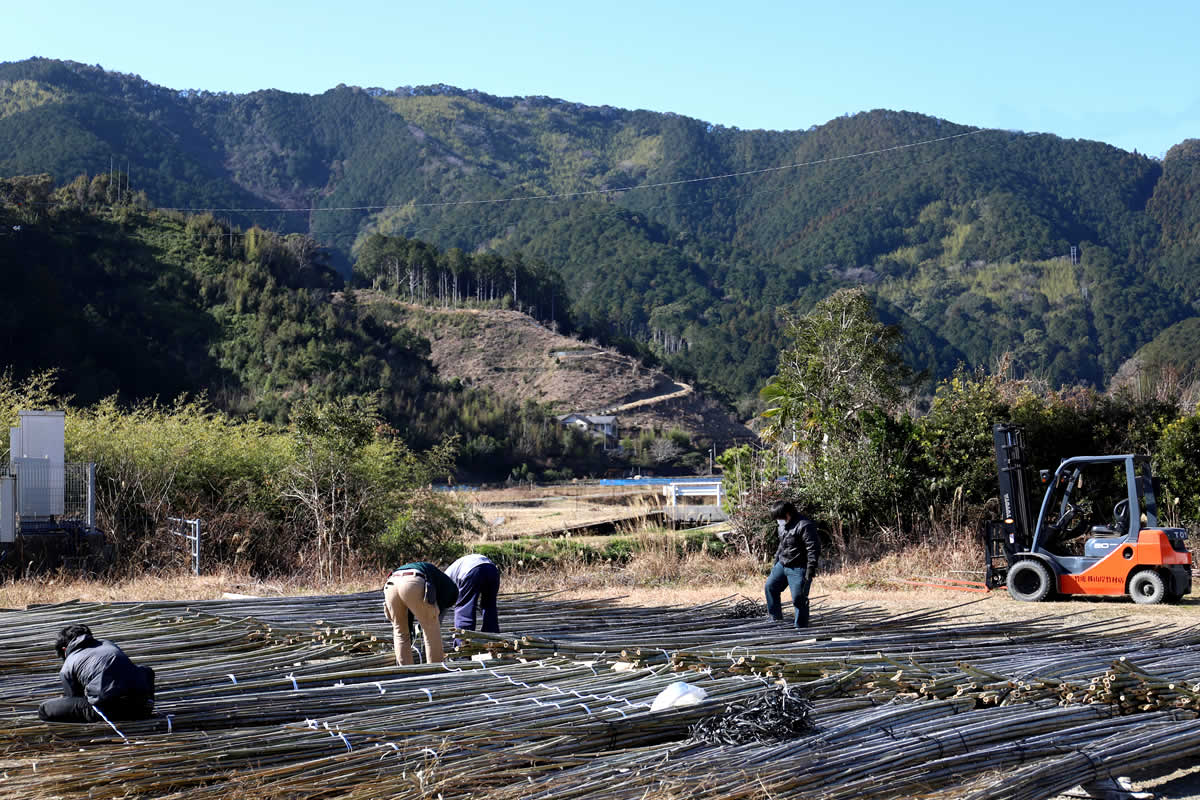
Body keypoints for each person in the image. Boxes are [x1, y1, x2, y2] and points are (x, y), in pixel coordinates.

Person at [38, 624, 155, 723]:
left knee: (44, 709)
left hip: (112, 713)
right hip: (141, 707)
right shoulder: (108, 644)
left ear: (64, 649)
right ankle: (148, 706)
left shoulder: (68, 664)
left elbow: (74, 698)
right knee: (146, 670)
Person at [383, 561, 458, 665]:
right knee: (431, 629)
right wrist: (434, 614)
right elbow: (443, 603)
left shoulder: (434, 574)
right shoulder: (450, 588)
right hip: (413, 582)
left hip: (391, 583)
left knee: (400, 632)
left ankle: (406, 672)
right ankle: (435, 672)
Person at [764, 501, 821, 628]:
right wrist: (776, 562)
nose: (778, 520)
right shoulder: (782, 526)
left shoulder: (804, 525)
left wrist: (811, 568)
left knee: (798, 598)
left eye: (779, 517)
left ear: (787, 513)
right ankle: (775, 620)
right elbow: (782, 544)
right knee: (770, 587)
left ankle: (800, 627)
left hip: (799, 567)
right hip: (782, 564)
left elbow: (813, 548)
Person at [445, 553, 501, 639]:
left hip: (473, 570)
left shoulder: (445, 578)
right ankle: (492, 638)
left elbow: (443, 605)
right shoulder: (451, 571)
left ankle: (463, 642)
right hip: (492, 569)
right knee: (489, 607)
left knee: (464, 608)